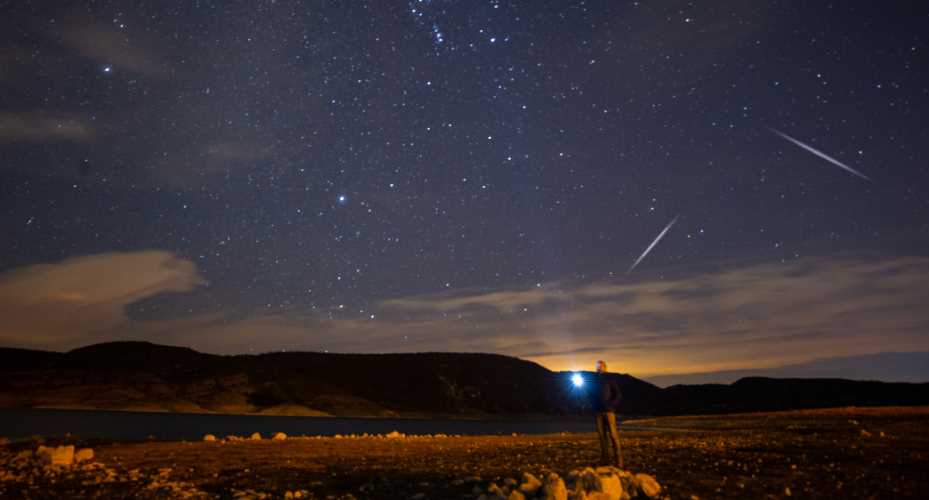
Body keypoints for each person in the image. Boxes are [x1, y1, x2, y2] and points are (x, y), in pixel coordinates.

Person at [590, 360, 623, 467]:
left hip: (608, 412)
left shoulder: (609, 378)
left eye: (600, 366)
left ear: (605, 367)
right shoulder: (594, 379)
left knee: (613, 435)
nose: (598, 368)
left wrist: (611, 406)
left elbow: (618, 394)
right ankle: (605, 460)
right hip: (598, 412)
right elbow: (591, 394)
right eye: (596, 366)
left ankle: (619, 461)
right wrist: (592, 404)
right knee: (602, 437)